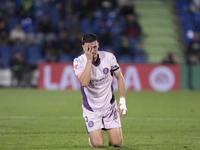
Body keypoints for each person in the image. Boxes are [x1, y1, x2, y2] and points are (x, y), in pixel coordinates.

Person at [73, 33, 127, 148]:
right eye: (89, 48)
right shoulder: (78, 61)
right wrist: (88, 61)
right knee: (98, 144)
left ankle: (110, 133)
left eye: (95, 47)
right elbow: (84, 83)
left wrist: (122, 101)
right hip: (92, 109)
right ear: (83, 48)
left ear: (98, 45)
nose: (93, 50)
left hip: (109, 106)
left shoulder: (109, 57)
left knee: (117, 143)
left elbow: (119, 77)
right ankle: (93, 137)